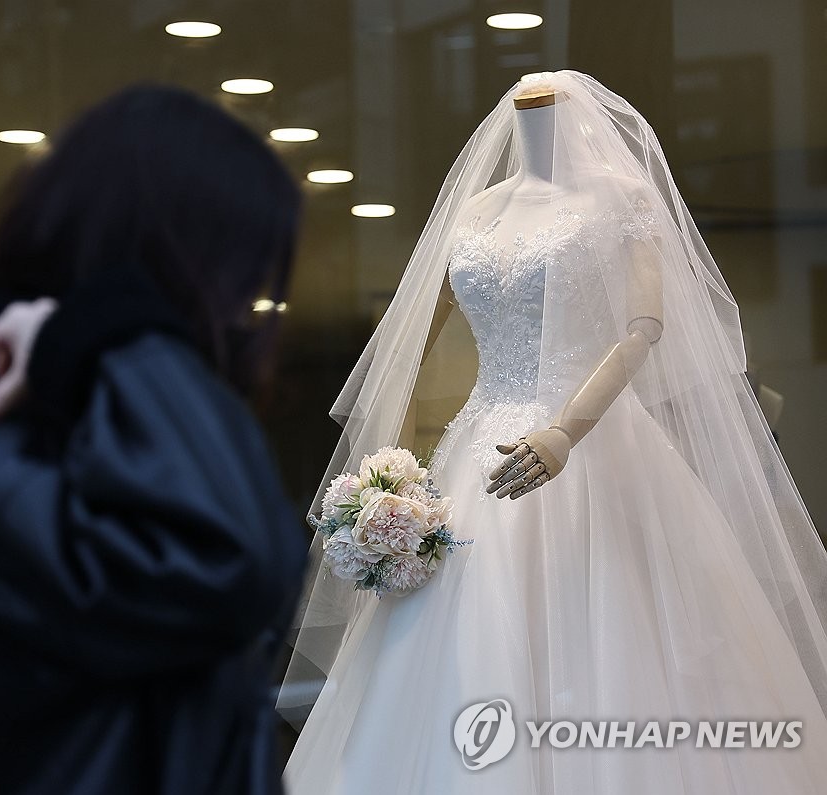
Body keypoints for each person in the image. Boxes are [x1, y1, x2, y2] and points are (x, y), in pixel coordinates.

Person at [280, 70, 827, 793]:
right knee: (455, 640)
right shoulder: (474, 212)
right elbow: (408, 350)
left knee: (614, 627)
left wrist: (567, 430)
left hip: (596, 448)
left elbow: (644, 328)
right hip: (478, 451)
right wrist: (396, 469)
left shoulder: (621, 198)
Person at [0, 84, 307, 795]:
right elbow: (235, 564)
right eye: (234, 277)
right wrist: (119, 331)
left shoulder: (69, 424)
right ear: (169, 266)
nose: (243, 312)